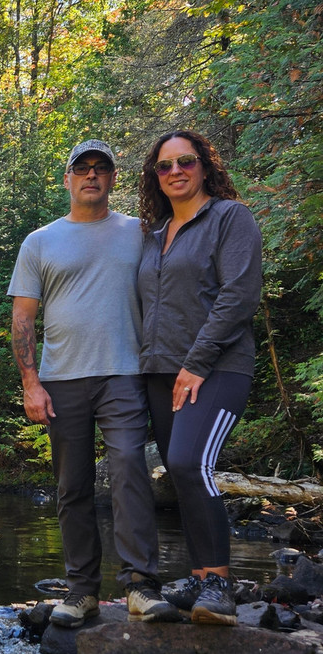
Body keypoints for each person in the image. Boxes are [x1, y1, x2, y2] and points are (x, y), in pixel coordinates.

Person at [9, 139, 181, 628]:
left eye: (100, 169)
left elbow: (173, 289)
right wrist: (30, 383)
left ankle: (140, 587)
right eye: (81, 168)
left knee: (129, 468)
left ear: (111, 178)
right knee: (72, 486)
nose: (90, 175)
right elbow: (23, 319)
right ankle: (82, 590)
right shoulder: (40, 241)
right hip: (61, 379)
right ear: (67, 179)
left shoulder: (141, 231)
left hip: (125, 374)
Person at [137, 130, 263, 626]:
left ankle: (219, 584)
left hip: (216, 369)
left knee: (192, 463)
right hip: (160, 372)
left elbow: (239, 296)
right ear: (156, 177)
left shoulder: (230, 218)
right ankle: (197, 574)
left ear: (205, 166)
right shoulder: (153, 235)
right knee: (178, 471)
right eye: (164, 166)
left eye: (184, 162)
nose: (175, 172)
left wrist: (197, 362)